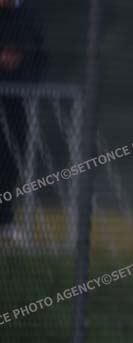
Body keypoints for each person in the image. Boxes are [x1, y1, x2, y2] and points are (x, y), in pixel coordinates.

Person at [0, 0, 46, 243]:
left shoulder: (29, 18)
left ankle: (4, 221)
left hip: (17, 103)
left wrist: (29, 83)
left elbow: (40, 59)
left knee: (10, 160)